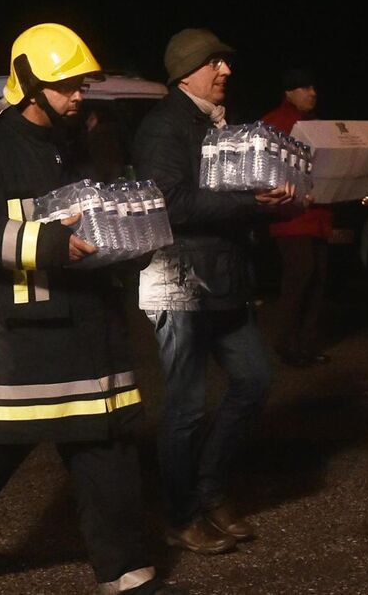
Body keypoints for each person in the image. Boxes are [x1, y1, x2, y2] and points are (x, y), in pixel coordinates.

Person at [0, 24, 179, 595]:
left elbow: (96, 218)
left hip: (89, 328)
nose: (79, 96)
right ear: (26, 84)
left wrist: (128, 243)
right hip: (20, 339)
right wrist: (44, 243)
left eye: (81, 86)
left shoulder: (79, 147)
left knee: (109, 448)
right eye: (67, 85)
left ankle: (127, 573)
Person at [132, 28, 293, 555]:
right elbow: (171, 204)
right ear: (185, 71)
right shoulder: (164, 127)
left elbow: (231, 194)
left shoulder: (218, 123)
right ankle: (180, 516)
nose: (226, 71)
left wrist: (279, 194)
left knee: (255, 380)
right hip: (178, 279)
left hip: (222, 277)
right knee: (185, 407)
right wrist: (253, 202)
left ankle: (209, 490)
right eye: (214, 63)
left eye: (226, 61)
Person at [262, 68, 331, 367]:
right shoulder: (274, 123)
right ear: (288, 92)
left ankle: (304, 344)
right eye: (304, 87)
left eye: (313, 86)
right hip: (291, 218)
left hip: (317, 217)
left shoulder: (315, 125)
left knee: (315, 279)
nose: (312, 92)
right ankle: (286, 344)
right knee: (300, 277)